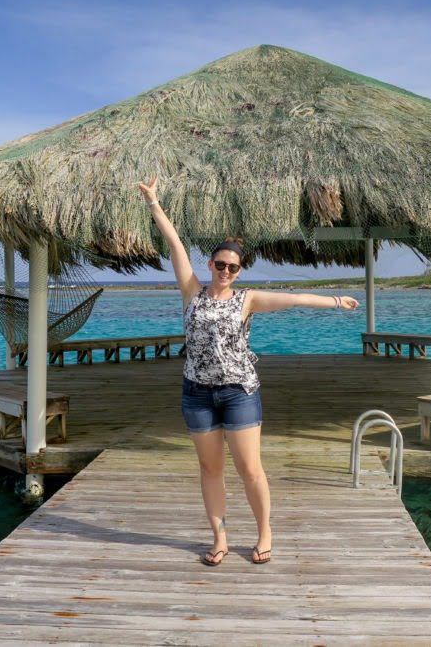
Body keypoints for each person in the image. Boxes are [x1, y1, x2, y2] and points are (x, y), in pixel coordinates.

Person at [138, 175, 359, 566]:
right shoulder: (191, 291)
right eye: (221, 265)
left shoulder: (247, 299)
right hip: (197, 393)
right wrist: (154, 203)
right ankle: (219, 538)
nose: (226, 271)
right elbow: (174, 244)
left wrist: (335, 301)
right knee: (210, 468)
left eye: (233, 267)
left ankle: (264, 533)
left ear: (239, 272)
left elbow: (294, 298)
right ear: (210, 264)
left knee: (250, 470)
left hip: (238, 391)